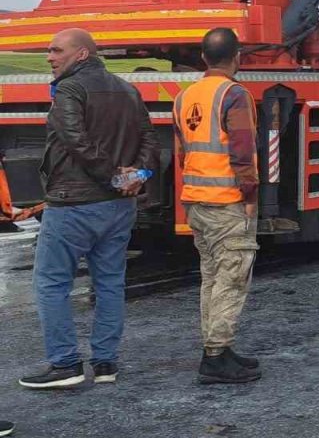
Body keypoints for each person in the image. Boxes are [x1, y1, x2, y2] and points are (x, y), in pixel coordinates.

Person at [20, 29, 156, 390]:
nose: (49, 57)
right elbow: (148, 138)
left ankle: (65, 365)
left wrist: (115, 176)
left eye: (56, 50)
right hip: (118, 207)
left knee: (51, 283)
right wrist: (137, 175)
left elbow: (74, 140)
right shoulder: (128, 89)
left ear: (82, 54)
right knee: (110, 283)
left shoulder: (68, 89)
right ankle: (106, 363)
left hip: (74, 204)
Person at [173, 28, 262, 385]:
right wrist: (250, 195)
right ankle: (215, 356)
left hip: (196, 200)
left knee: (212, 277)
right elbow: (242, 149)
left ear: (204, 57)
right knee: (232, 278)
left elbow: (183, 150)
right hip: (226, 203)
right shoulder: (234, 94)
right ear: (236, 56)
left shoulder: (185, 96)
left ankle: (217, 348)